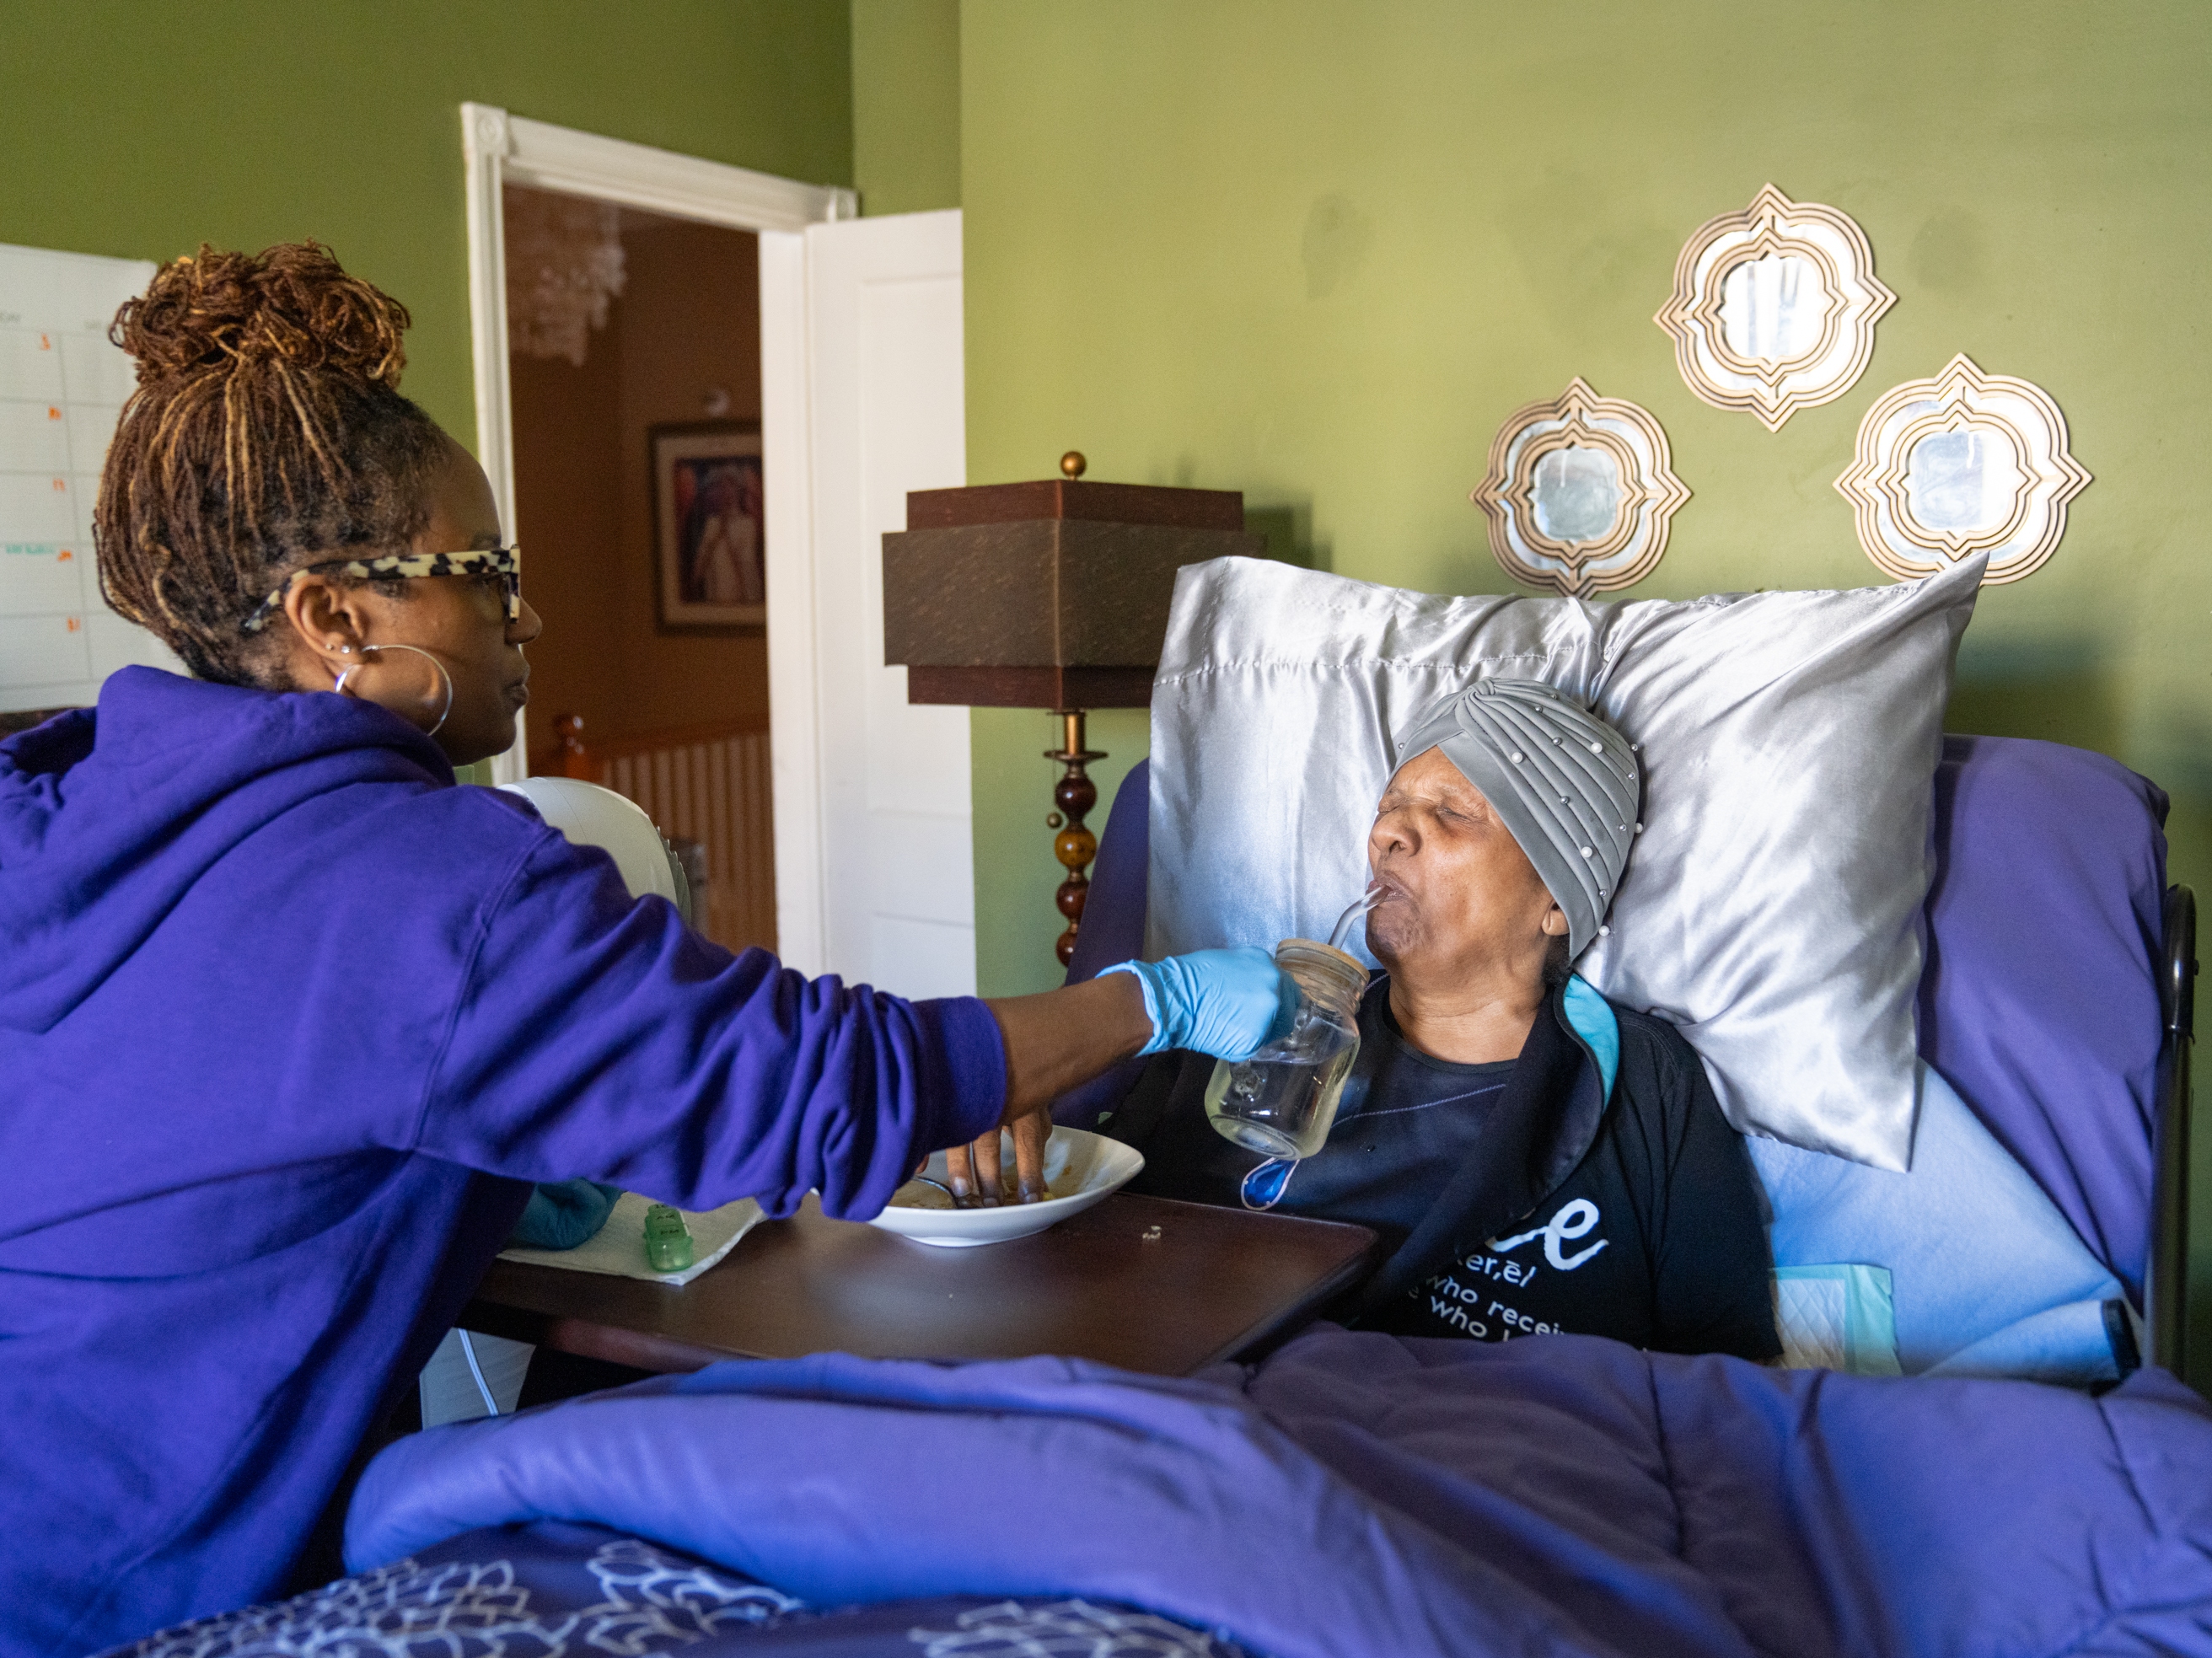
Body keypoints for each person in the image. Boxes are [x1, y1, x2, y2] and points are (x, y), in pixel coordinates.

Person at [0, 244, 1289, 1657]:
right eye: (479, 572)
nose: (524, 611)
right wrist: (1147, 998)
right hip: (124, 1585)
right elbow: (828, 1079)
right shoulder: (421, 883)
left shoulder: (54, 796)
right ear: (337, 620)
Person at [1111, 678, 1781, 1360]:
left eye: (1454, 812)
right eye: (1390, 805)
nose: (1385, 833)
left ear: (1556, 902)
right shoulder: (1260, 1018)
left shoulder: (1643, 1084)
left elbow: (1725, 1375)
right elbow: (1093, 1229)